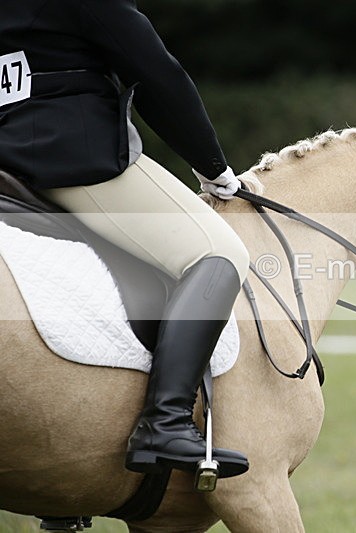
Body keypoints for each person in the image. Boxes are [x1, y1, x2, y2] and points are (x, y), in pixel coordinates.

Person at [0, 0, 250, 478]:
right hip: (67, 154)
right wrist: (213, 168)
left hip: (7, 158)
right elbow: (154, 71)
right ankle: (166, 422)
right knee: (219, 252)